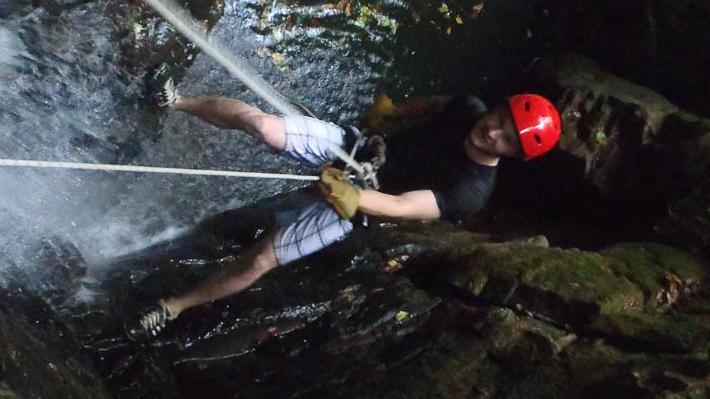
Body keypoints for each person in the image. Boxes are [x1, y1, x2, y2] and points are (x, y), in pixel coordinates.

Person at [126, 80, 561, 340]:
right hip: (355, 149)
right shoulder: (469, 108)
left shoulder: (472, 191)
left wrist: (349, 196)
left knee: (262, 258)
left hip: (360, 205)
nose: (493, 131)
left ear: (516, 155)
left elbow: (401, 205)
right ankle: (177, 100)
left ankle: (176, 306)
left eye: (507, 138)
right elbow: (433, 105)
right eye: (502, 119)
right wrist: (387, 117)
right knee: (263, 125)